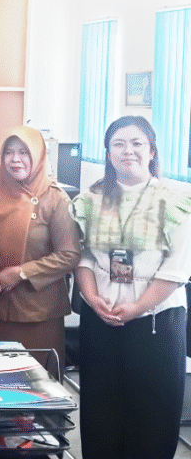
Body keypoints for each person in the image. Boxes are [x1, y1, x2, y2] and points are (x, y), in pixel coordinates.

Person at [71, 116, 191, 459]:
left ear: (152, 150)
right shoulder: (91, 200)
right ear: (108, 153)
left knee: (153, 418)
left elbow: (177, 268)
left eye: (137, 143)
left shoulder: (176, 200)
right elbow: (84, 259)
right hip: (101, 319)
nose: (128, 151)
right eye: (118, 144)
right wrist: (92, 299)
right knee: (100, 415)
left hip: (156, 323)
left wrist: (138, 308)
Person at [0, 126, 80, 376]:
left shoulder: (55, 199)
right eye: (9, 152)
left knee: (38, 389)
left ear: (38, 155)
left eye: (24, 152)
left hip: (39, 312)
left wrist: (22, 273)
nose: (15, 159)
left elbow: (70, 254)